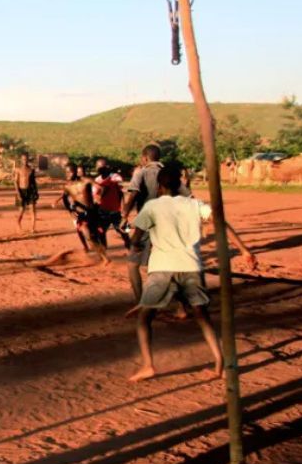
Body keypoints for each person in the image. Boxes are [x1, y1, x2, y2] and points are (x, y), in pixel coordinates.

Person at [127, 164, 256, 381]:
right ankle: (219, 364)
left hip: (162, 268)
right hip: (192, 266)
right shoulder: (194, 204)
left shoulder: (152, 207)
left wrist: (136, 244)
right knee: (202, 316)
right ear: (180, 184)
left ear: (159, 186)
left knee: (144, 319)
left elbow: (135, 239)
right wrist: (244, 250)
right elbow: (221, 223)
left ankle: (148, 365)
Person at [120, 144, 190, 302]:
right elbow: (188, 196)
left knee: (132, 264)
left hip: (147, 222)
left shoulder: (141, 172)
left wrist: (124, 215)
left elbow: (133, 195)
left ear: (144, 158)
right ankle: (181, 307)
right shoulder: (169, 174)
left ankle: (140, 302)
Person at [61, 164, 109, 265]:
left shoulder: (85, 181)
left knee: (97, 235)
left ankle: (103, 254)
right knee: (87, 234)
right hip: (81, 214)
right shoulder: (67, 186)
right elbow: (64, 199)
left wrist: (99, 198)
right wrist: (70, 211)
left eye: (70, 171)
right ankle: (104, 258)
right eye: (66, 172)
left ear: (75, 171)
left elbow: (102, 188)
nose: (68, 174)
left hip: (92, 211)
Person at [93, 159, 129, 248]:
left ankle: (129, 244)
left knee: (124, 231)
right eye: (98, 167)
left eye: (102, 167)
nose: (100, 169)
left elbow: (119, 183)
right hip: (103, 211)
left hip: (116, 211)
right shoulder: (96, 180)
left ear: (107, 167)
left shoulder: (114, 177)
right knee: (100, 232)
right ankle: (104, 250)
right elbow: (95, 196)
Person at [14, 154, 40, 234]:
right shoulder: (18, 170)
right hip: (21, 191)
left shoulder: (31, 170)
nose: (25, 160)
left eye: (26, 159)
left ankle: (32, 228)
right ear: (21, 160)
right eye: (23, 159)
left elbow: (33, 182)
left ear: (28, 160)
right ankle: (18, 226)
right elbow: (15, 182)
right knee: (21, 210)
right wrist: (18, 193)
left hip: (30, 191)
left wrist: (36, 192)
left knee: (32, 210)